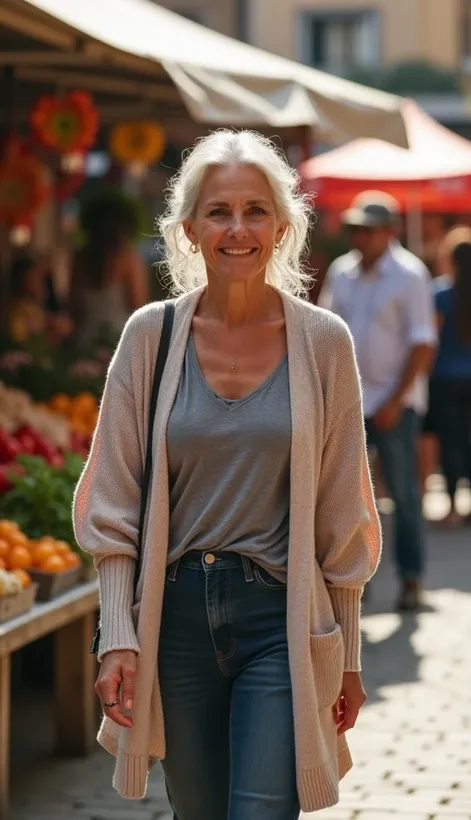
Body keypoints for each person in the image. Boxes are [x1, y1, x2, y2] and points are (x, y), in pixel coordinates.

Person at [73, 131, 381, 819]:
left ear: (281, 225)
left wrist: (350, 656)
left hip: (280, 614)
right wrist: (118, 633)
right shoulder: (149, 338)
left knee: (262, 808)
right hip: (175, 618)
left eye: (255, 210)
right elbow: (112, 500)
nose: (237, 229)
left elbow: (344, 514)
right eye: (218, 211)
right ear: (187, 229)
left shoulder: (324, 342)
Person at [320, 191, 436, 612]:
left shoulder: (409, 274)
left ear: (389, 232)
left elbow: (422, 343)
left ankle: (410, 578)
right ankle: (353, 579)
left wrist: (395, 399)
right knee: (345, 496)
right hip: (348, 403)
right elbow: (323, 332)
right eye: (355, 229)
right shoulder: (342, 272)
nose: (360, 237)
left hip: (394, 404)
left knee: (403, 494)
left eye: (367, 230)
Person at [430, 227, 471, 527]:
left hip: (445, 378)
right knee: (470, 442)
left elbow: (431, 337)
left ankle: (453, 506)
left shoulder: (441, 293)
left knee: (450, 443)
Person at [70, 190, 149, 349]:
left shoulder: (80, 258)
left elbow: (73, 308)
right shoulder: (129, 259)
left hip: (86, 339)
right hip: (120, 339)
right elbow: (137, 304)